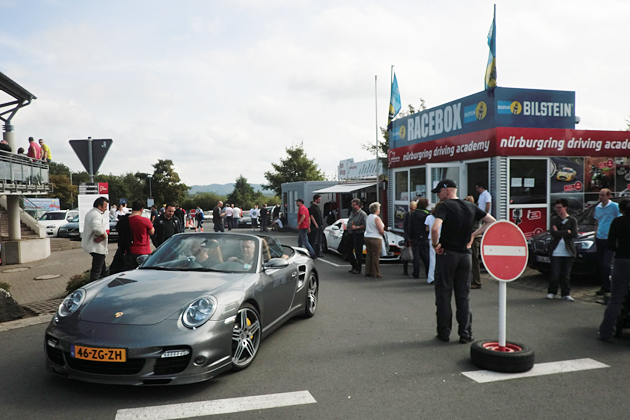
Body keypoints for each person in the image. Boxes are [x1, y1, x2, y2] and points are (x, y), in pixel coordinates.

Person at [431, 179, 495, 344]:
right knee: (463, 296)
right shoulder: (470, 206)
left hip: (448, 254)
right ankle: (466, 333)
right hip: (465, 256)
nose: (438, 196)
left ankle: (444, 333)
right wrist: (474, 234)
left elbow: (435, 228)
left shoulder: (445, 206)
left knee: (444, 294)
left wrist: (435, 244)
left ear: (447, 191)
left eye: (439, 192)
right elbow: (491, 221)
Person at [598, 199, 630, 341]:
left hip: (622, 260)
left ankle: (606, 333)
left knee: (616, 298)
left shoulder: (617, 222)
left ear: (621, 210)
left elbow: (610, 245)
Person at [546, 198, 578, 301]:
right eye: (556, 208)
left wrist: (560, 232)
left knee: (566, 275)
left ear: (565, 208)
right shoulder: (554, 219)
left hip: (568, 251)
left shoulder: (572, 220)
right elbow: (553, 233)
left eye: (559, 208)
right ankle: (552, 292)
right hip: (556, 250)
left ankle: (565, 293)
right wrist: (566, 231)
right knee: (554, 274)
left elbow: (574, 234)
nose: (558, 210)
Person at [594, 188, 621, 296]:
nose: (600, 197)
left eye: (603, 195)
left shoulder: (614, 206)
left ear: (609, 196)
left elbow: (619, 220)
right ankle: (604, 286)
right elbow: (597, 221)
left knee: (607, 263)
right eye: (599, 195)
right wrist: (596, 232)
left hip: (610, 238)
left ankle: (611, 286)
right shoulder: (598, 207)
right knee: (601, 263)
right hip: (600, 237)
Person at [81, 197, 109, 281]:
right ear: (99, 206)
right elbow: (97, 228)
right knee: (97, 271)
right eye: (105, 206)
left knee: (102, 269)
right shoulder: (97, 215)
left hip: (91, 245)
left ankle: (101, 280)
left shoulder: (90, 213)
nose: (106, 208)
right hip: (97, 247)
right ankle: (94, 285)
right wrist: (103, 236)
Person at [409, 197, 431, 279]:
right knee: (426, 256)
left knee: (416, 257)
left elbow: (410, 227)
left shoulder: (413, 214)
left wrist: (410, 237)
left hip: (416, 237)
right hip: (425, 237)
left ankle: (416, 273)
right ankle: (428, 272)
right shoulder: (428, 214)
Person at [465, 195, 482, 290]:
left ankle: (476, 281)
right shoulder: (477, 211)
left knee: (474, 259)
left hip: (474, 237)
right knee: (473, 259)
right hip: (477, 237)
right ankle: (474, 280)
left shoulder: (472, 212)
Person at [364, 202, 385, 278]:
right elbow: (380, 230)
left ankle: (368, 271)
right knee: (376, 256)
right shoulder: (376, 218)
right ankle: (375, 272)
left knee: (369, 255)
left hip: (367, 237)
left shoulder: (368, 217)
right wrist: (383, 233)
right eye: (379, 208)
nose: (379, 210)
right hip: (375, 238)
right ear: (376, 209)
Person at [347, 198, 367, 274]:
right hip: (351, 233)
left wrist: (357, 227)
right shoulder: (352, 213)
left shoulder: (363, 214)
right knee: (349, 250)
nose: (353, 206)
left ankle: (358, 268)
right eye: (352, 205)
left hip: (358, 234)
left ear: (358, 205)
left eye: (354, 205)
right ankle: (354, 265)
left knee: (358, 251)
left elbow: (365, 225)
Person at [425, 202, 442, 285]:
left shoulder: (429, 217)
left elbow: (427, 229)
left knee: (432, 259)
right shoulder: (444, 217)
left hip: (432, 238)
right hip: (442, 238)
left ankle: (431, 278)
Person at [402, 201, 417, 276]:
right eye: (410, 208)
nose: (411, 210)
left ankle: (415, 270)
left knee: (415, 254)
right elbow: (405, 226)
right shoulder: (407, 215)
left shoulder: (416, 215)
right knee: (407, 253)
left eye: (412, 208)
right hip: (408, 237)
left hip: (415, 237)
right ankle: (405, 270)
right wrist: (407, 236)